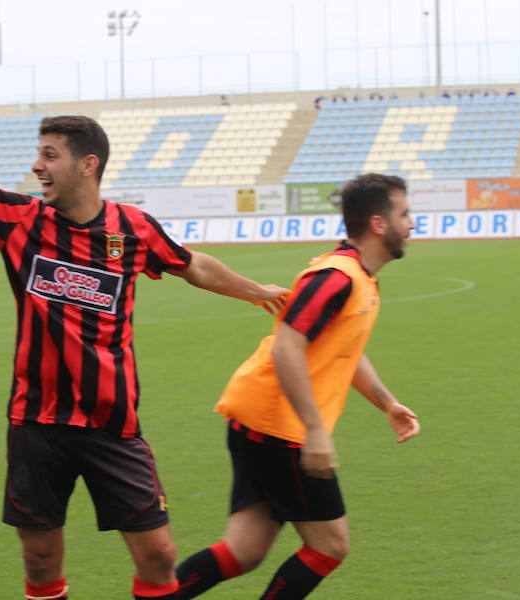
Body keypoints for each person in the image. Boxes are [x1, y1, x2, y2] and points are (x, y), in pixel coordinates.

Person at [0, 89, 288, 600]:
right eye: (39, 154)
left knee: (158, 554)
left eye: (50, 155)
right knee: (40, 555)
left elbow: (192, 264)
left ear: (87, 164)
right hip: (37, 422)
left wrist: (256, 292)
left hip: (112, 422)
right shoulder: (18, 220)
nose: (37, 166)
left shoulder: (131, 228)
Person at [174, 173, 421, 600]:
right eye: (405, 213)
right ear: (379, 224)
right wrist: (315, 430)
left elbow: (344, 349)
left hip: (261, 418)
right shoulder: (335, 276)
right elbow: (288, 346)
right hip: (279, 427)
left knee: (244, 550)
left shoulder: (357, 277)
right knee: (330, 545)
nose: (412, 223)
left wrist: (387, 403)